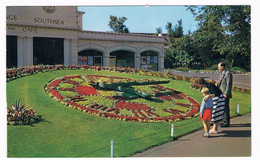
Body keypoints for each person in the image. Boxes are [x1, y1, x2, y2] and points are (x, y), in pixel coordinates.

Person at [212, 62, 233, 127]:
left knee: (226, 108)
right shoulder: (222, 73)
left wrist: (226, 94)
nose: (218, 68)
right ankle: (223, 121)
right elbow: (220, 84)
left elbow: (229, 84)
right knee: (223, 107)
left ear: (222, 67)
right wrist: (215, 83)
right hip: (221, 93)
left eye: (219, 67)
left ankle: (226, 122)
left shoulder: (227, 73)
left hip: (225, 93)